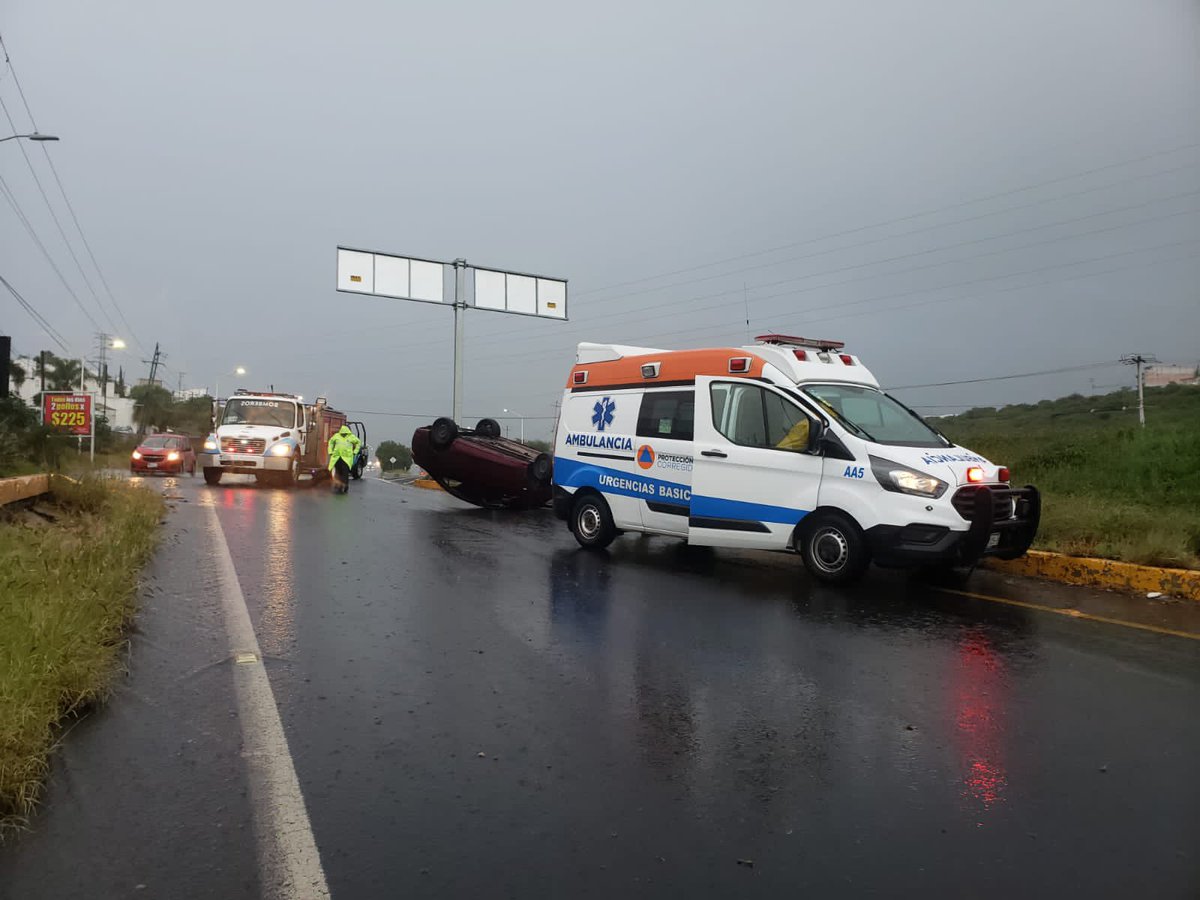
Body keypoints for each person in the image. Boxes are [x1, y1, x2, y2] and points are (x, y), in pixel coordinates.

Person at [327, 424, 362, 493]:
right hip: (337, 458)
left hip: (346, 459)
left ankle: (345, 486)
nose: (343, 434)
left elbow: (358, 443)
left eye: (345, 433)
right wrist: (330, 451)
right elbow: (330, 442)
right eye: (342, 433)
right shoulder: (336, 436)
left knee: (345, 474)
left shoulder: (351, 437)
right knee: (338, 473)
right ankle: (338, 486)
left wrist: (355, 452)